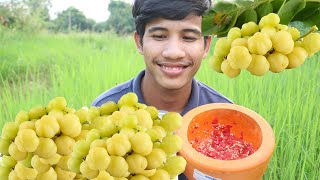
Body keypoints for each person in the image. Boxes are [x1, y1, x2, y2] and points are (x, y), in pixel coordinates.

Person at [92, 0, 232, 179]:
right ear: (139, 42)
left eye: (189, 37)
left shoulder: (226, 118)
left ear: (206, 46)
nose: (173, 52)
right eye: (159, 36)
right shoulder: (105, 111)